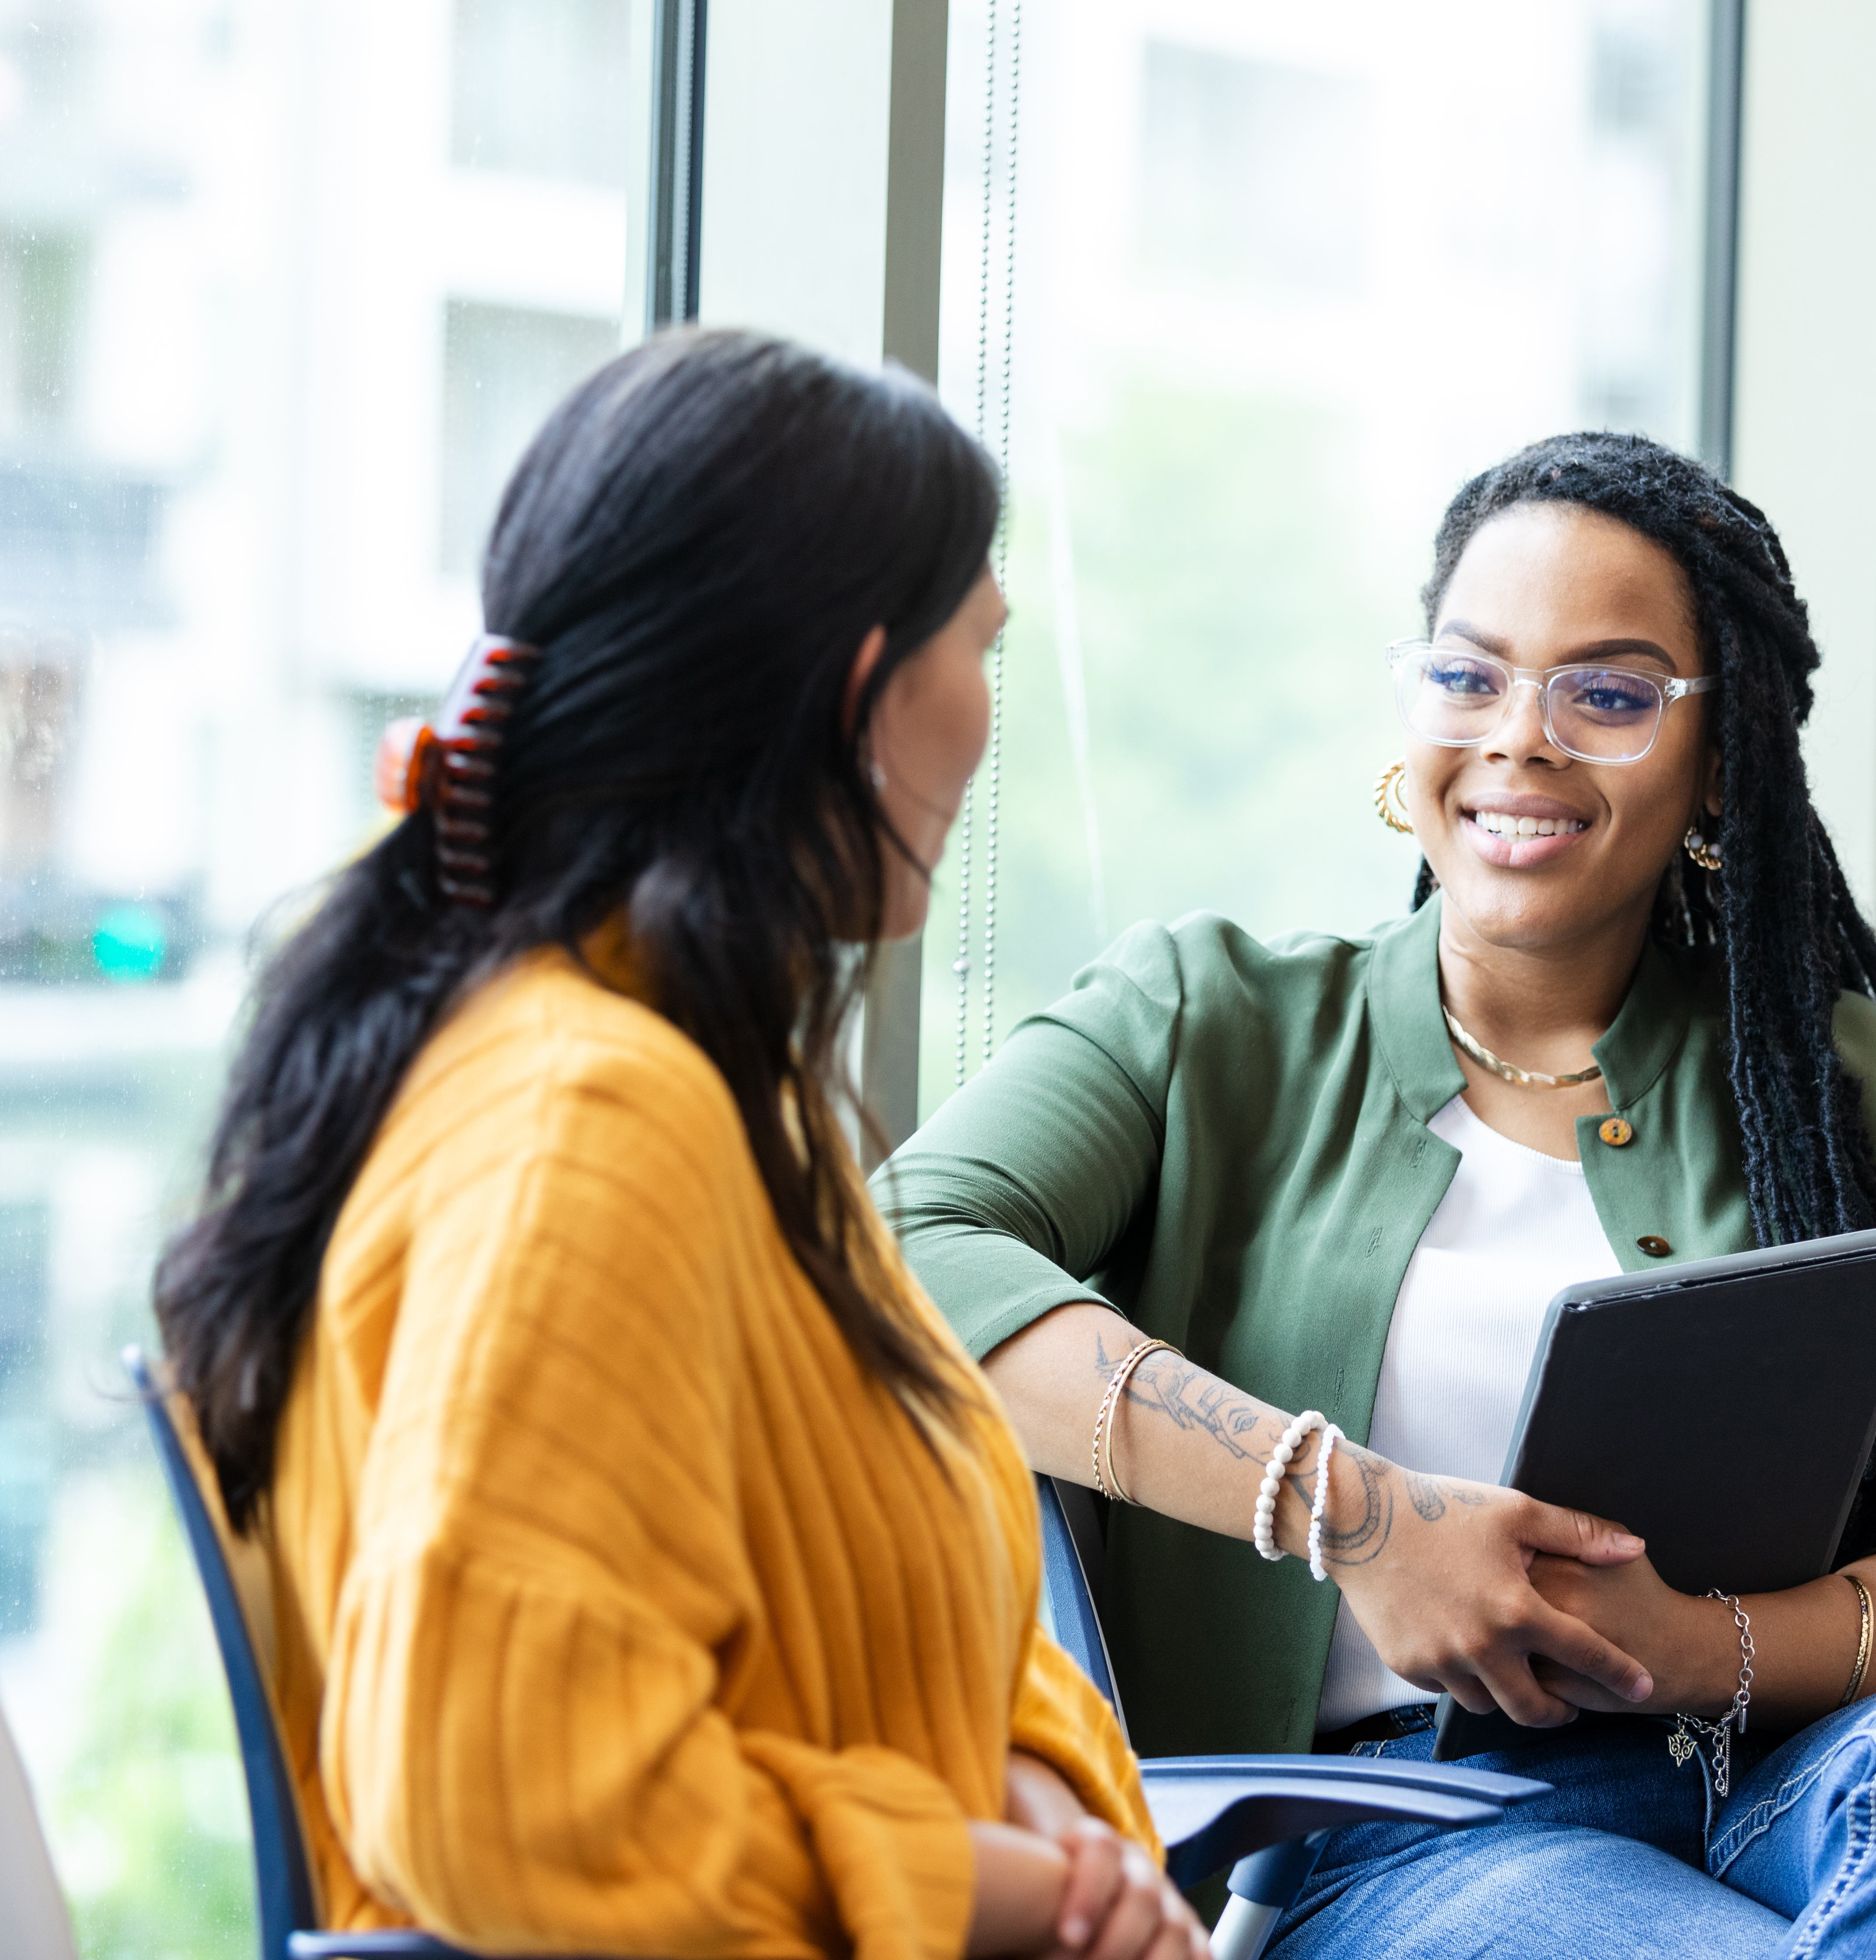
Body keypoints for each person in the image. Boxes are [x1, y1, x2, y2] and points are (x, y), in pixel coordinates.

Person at [876, 431, 1876, 1956]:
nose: (1521, 738)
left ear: (1719, 760)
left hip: (1790, 1776)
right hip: (1413, 1831)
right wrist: (1356, 1516)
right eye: (1468, 675)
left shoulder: (1847, 1074)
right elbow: (893, 1249)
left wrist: (1704, 1651)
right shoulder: (1202, 1018)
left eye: (1611, 695)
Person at [154, 329, 1204, 1960]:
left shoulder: (715, 1091)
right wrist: (989, 1890)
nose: (989, 717)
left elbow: (939, 1634)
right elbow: (511, 1799)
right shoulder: (594, 1124)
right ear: (864, 693)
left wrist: (1050, 1810)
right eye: (980, 646)